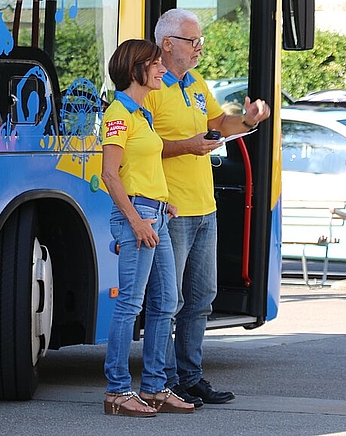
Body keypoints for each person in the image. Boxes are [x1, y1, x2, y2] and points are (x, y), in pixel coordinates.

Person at [144, 9, 271, 406]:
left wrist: (247, 121)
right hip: (171, 209)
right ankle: (164, 380)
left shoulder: (194, 81)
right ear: (167, 44)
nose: (199, 48)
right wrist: (187, 146)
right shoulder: (148, 85)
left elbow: (218, 122)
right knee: (168, 300)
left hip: (205, 207)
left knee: (201, 298)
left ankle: (190, 377)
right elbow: (141, 147)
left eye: (200, 41)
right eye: (192, 41)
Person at [101, 39, 193, 417]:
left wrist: (162, 201)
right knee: (130, 305)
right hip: (137, 216)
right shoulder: (119, 114)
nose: (161, 69)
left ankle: (154, 387)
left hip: (156, 213)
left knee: (166, 302)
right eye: (155, 64)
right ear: (136, 68)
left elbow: (142, 165)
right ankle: (117, 391)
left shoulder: (142, 114)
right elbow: (110, 174)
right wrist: (137, 220)